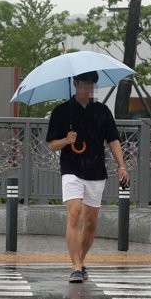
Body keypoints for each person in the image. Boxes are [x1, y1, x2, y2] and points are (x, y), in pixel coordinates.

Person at [45, 70, 130, 283]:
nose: (87, 88)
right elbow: (51, 145)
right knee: (74, 213)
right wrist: (66, 140)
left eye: (91, 84)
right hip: (71, 169)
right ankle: (74, 266)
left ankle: (81, 261)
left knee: (91, 222)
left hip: (95, 170)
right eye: (83, 83)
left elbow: (113, 140)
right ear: (75, 83)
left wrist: (122, 166)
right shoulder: (62, 111)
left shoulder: (101, 111)